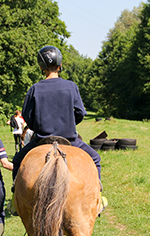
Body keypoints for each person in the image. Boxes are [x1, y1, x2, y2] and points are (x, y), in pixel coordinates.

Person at [10, 45, 107, 213]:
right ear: (60, 65)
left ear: (41, 67)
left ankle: (15, 200)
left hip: (42, 140)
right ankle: (97, 197)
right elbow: (80, 113)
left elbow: (27, 117)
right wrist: (69, 123)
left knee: (18, 161)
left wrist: (37, 126)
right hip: (69, 139)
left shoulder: (34, 89)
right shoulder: (71, 86)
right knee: (95, 158)